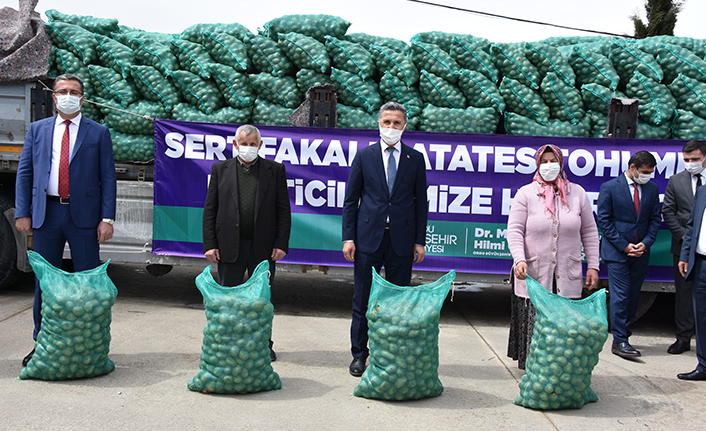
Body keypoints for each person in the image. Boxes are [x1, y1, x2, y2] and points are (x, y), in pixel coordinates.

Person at [15, 73, 117, 367]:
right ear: (54, 96)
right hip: (47, 215)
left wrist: (106, 218)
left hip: (84, 217)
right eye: (63, 91)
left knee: (88, 281)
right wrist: (23, 212)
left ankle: (90, 343)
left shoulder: (98, 132)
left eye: (74, 91)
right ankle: (42, 342)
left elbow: (108, 177)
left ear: (82, 98)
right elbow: (25, 173)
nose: (68, 95)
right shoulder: (38, 130)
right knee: (45, 282)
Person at [342, 102, 427, 377]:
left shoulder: (415, 159)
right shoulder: (364, 156)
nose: (391, 128)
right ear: (378, 123)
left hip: (401, 241)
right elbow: (350, 201)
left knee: (397, 302)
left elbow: (421, 204)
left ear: (405, 126)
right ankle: (359, 355)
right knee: (363, 300)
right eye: (387, 122)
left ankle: (390, 352)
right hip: (368, 239)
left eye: (396, 123)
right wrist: (348, 238)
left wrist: (419, 241)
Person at [506, 144, 600, 370]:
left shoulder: (577, 193)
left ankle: (560, 370)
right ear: (538, 164)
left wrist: (593, 266)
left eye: (553, 161)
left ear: (561, 163)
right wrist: (519, 259)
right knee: (535, 327)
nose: (549, 166)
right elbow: (515, 230)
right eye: (544, 161)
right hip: (535, 275)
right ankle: (535, 373)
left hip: (567, 275)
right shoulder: (526, 193)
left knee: (563, 330)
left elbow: (589, 231)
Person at [202, 124, 291, 361]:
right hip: (229, 246)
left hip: (263, 248)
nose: (248, 148)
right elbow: (211, 209)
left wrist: (281, 243)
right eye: (244, 143)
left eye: (253, 144)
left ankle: (263, 343)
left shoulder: (275, 170)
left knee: (262, 299)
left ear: (260, 146)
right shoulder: (221, 169)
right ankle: (228, 341)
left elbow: (283, 210)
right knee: (229, 297)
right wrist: (210, 243)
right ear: (235, 145)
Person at [597, 150, 661, 359]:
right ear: (632, 167)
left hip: (641, 252)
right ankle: (620, 340)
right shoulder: (610, 187)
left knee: (633, 296)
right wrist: (624, 245)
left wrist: (645, 243)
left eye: (650, 172)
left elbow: (654, 220)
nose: (647, 175)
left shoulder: (651, 190)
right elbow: (604, 221)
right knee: (621, 295)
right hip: (617, 253)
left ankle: (625, 333)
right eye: (644, 171)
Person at [663, 140, 706, 355]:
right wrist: (684, 237)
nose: (691, 164)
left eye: (696, 159)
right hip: (683, 248)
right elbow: (668, 211)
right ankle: (683, 338)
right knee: (684, 294)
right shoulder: (676, 181)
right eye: (687, 160)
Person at [677, 181, 706, 380]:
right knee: (702, 317)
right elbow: (692, 225)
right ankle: (703, 365)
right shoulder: (703, 191)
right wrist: (685, 255)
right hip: (701, 263)